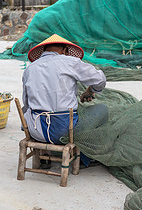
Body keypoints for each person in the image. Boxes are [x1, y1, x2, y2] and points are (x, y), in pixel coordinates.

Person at [22, 34, 107, 167]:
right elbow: (100, 79)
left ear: (45, 50)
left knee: (30, 111)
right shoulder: (69, 62)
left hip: (35, 130)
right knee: (102, 110)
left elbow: (26, 104)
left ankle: (45, 154)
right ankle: (88, 155)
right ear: (64, 50)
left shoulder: (30, 69)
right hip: (64, 130)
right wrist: (91, 90)